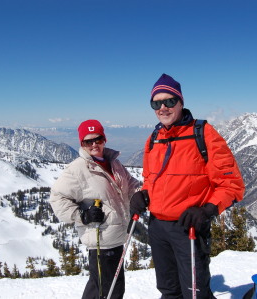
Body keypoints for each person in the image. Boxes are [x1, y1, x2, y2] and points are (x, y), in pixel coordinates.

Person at [130, 74, 245, 299]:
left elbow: (232, 185)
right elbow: (150, 178)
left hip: (188, 228)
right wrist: (143, 194)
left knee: (195, 292)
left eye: (169, 101)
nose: (163, 107)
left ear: (181, 102)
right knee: (169, 290)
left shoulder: (203, 134)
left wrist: (207, 210)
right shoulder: (154, 137)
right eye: (156, 103)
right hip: (157, 227)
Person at [50, 119, 140, 299]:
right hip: (101, 241)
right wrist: (82, 216)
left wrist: (141, 195)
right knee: (110, 291)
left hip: (116, 238)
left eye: (97, 139)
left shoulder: (113, 163)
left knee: (102, 288)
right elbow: (57, 198)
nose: (93, 145)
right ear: (82, 144)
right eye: (88, 141)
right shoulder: (78, 169)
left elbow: (131, 185)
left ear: (104, 139)